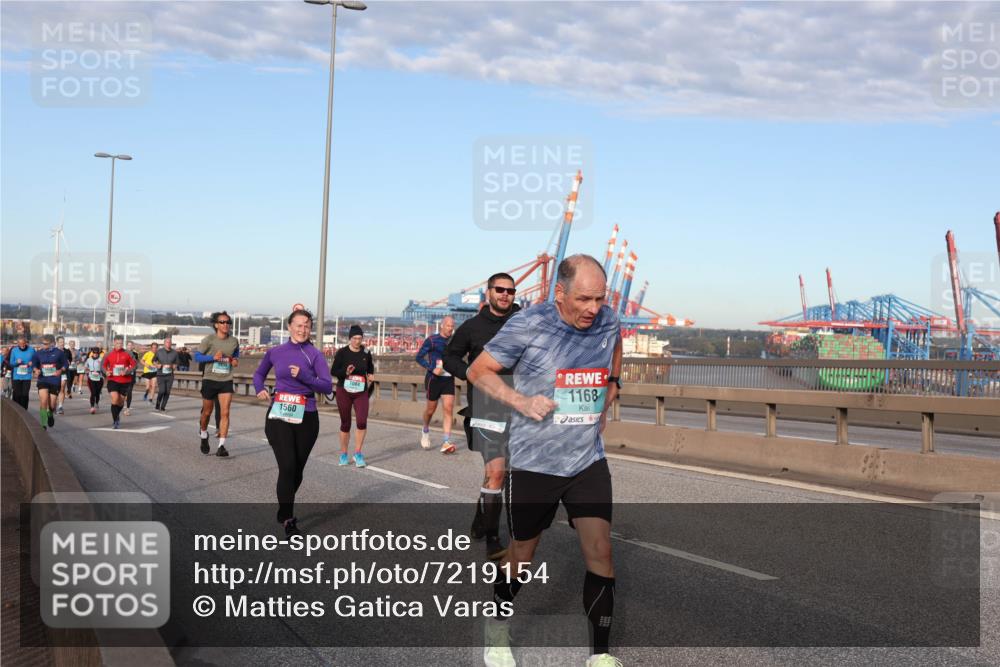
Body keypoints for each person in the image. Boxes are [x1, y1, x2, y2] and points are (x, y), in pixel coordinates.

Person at [467, 255, 623, 667]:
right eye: (585, 299)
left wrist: (612, 387)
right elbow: (478, 371)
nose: (594, 308)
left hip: (587, 460)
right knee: (522, 557)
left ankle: (600, 655)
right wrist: (521, 400)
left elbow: (616, 348)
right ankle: (497, 629)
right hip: (536, 462)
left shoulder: (608, 320)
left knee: (601, 551)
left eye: (600, 299)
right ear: (559, 293)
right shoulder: (528, 324)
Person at [444, 272, 520, 561]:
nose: (505, 295)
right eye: (499, 290)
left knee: (503, 475)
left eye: (510, 291)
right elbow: (450, 357)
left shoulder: (524, 323)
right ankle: (492, 537)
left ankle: (481, 517)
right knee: (497, 472)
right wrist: (471, 375)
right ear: (488, 292)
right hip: (486, 406)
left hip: (520, 406)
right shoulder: (472, 327)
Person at [253, 309, 333, 536]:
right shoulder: (276, 352)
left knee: (297, 471)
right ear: (289, 327)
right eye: (298, 325)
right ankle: (288, 520)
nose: (303, 329)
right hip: (279, 412)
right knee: (287, 465)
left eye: (307, 325)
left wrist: (304, 377)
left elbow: (327, 386)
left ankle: (283, 507)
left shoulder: (314, 355)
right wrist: (260, 389)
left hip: (307, 414)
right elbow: (258, 375)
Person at [195, 311, 239, 457]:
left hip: (226, 379)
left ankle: (221, 446)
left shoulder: (233, 341)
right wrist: (213, 357)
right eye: (222, 322)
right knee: (207, 412)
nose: (226, 325)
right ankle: (203, 433)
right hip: (210, 379)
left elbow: (236, 356)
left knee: (225, 412)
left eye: (228, 322)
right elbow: (197, 356)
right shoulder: (209, 340)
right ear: (216, 325)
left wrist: (234, 360)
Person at [330, 325, 375, 468]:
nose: (357, 341)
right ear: (350, 339)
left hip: (361, 391)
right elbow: (334, 371)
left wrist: (370, 375)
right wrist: (346, 372)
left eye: (360, 338)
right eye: (355, 338)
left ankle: (358, 453)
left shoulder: (366, 352)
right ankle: (343, 454)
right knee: (346, 423)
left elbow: (370, 367)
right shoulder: (342, 353)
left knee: (362, 422)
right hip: (344, 390)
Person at [416, 315, 457, 454]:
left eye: (452, 326)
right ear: (442, 326)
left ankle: (446, 441)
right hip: (434, 379)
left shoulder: (455, 341)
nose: (450, 328)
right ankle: (425, 430)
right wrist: (432, 368)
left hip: (448, 379)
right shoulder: (432, 340)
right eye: (448, 325)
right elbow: (418, 357)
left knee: (448, 408)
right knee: (430, 410)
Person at [102, 337, 137, 429]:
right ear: (114, 343)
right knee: (115, 398)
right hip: (112, 379)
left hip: (125, 380)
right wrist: (106, 372)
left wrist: (127, 371)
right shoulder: (108, 354)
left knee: (121, 402)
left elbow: (134, 365)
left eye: (121, 343)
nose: (119, 345)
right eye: (117, 343)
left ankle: (117, 415)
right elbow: (103, 365)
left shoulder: (128, 353)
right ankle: (115, 420)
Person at [33, 334, 67, 429]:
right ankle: (43, 423)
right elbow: (34, 364)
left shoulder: (59, 353)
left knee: (52, 405)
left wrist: (60, 370)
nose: (44, 346)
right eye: (43, 344)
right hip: (43, 379)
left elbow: (65, 364)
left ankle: (50, 414)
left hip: (54, 380)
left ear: (52, 343)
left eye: (46, 344)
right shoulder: (38, 353)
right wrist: (36, 369)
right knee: (43, 401)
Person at [8, 335, 35, 410]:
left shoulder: (31, 350)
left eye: (23, 343)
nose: (22, 345)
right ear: (18, 344)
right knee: (17, 395)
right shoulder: (14, 350)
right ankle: (16, 410)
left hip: (27, 376)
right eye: (20, 344)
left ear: (26, 342)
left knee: (25, 395)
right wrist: (16, 362)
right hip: (16, 376)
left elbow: (36, 361)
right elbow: (11, 363)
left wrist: (32, 363)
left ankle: (24, 411)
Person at [153, 338, 179, 412]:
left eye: (170, 342)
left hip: (170, 375)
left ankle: (163, 406)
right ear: (164, 343)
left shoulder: (175, 353)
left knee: (167, 391)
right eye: (167, 342)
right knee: (162, 391)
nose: (168, 343)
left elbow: (176, 363)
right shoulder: (159, 352)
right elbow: (154, 361)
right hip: (160, 374)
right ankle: (158, 404)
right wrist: (157, 365)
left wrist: (173, 366)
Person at [84, 347, 104, 414]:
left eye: (97, 353)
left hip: (99, 378)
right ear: (92, 353)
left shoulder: (101, 360)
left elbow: (104, 368)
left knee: (97, 393)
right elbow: (85, 367)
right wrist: (87, 370)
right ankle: (92, 407)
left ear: (98, 353)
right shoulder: (88, 360)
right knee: (93, 393)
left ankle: (97, 402)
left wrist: (101, 371)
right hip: (91, 378)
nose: (95, 354)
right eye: (94, 353)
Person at [124, 340, 140, 416]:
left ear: (133, 346)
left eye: (131, 345)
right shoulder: (123, 353)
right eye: (128, 345)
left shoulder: (135, 354)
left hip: (131, 375)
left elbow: (136, 365)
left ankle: (127, 409)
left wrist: (132, 368)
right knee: (123, 393)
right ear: (126, 346)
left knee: (129, 392)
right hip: (123, 375)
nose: (130, 346)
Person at [55, 336, 71, 414]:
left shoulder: (67, 351)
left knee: (62, 388)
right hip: (54, 373)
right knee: (54, 389)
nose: (62, 343)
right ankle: (53, 404)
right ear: (57, 342)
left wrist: (68, 362)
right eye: (61, 342)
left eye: (63, 342)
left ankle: (60, 406)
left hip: (63, 372)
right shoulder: (53, 351)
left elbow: (70, 360)